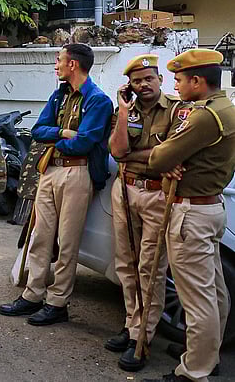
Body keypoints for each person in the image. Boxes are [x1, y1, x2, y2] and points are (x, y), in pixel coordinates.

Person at [0, 44, 113, 326]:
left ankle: (57, 301)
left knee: (67, 241)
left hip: (77, 173)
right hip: (50, 169)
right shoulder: (60, 95)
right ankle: (33, 294)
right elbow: (39, 130)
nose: (56, 64)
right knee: (40, 236)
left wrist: (61, 140)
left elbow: (85, 142)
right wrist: (63, 132)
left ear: (73, 64)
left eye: (59, 60)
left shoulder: (98, 100)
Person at [144, 49, 235, 382]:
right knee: (214, 293)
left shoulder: (203, 117)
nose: (176, 86)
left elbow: (157, 158)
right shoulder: (226, 109)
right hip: (210, 208)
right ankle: (207, 356)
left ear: (197, 81)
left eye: (180, 80)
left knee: (197, 300)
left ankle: (194, 371)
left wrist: (167, 156)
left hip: (192, 213)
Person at [105, 54, 184, 372]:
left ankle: (142, 339)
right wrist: (124, 112)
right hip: (124, 190)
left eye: (149, 79)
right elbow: (118, 151)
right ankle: (131, 324)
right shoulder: (126, 109)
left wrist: (142, 155)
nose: (143, 85)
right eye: (137, 81)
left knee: (150, 268)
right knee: (126, 264)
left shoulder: (179, 110)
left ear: (160, 80)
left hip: (155, 193)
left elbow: (174, 152)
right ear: (130, 85)